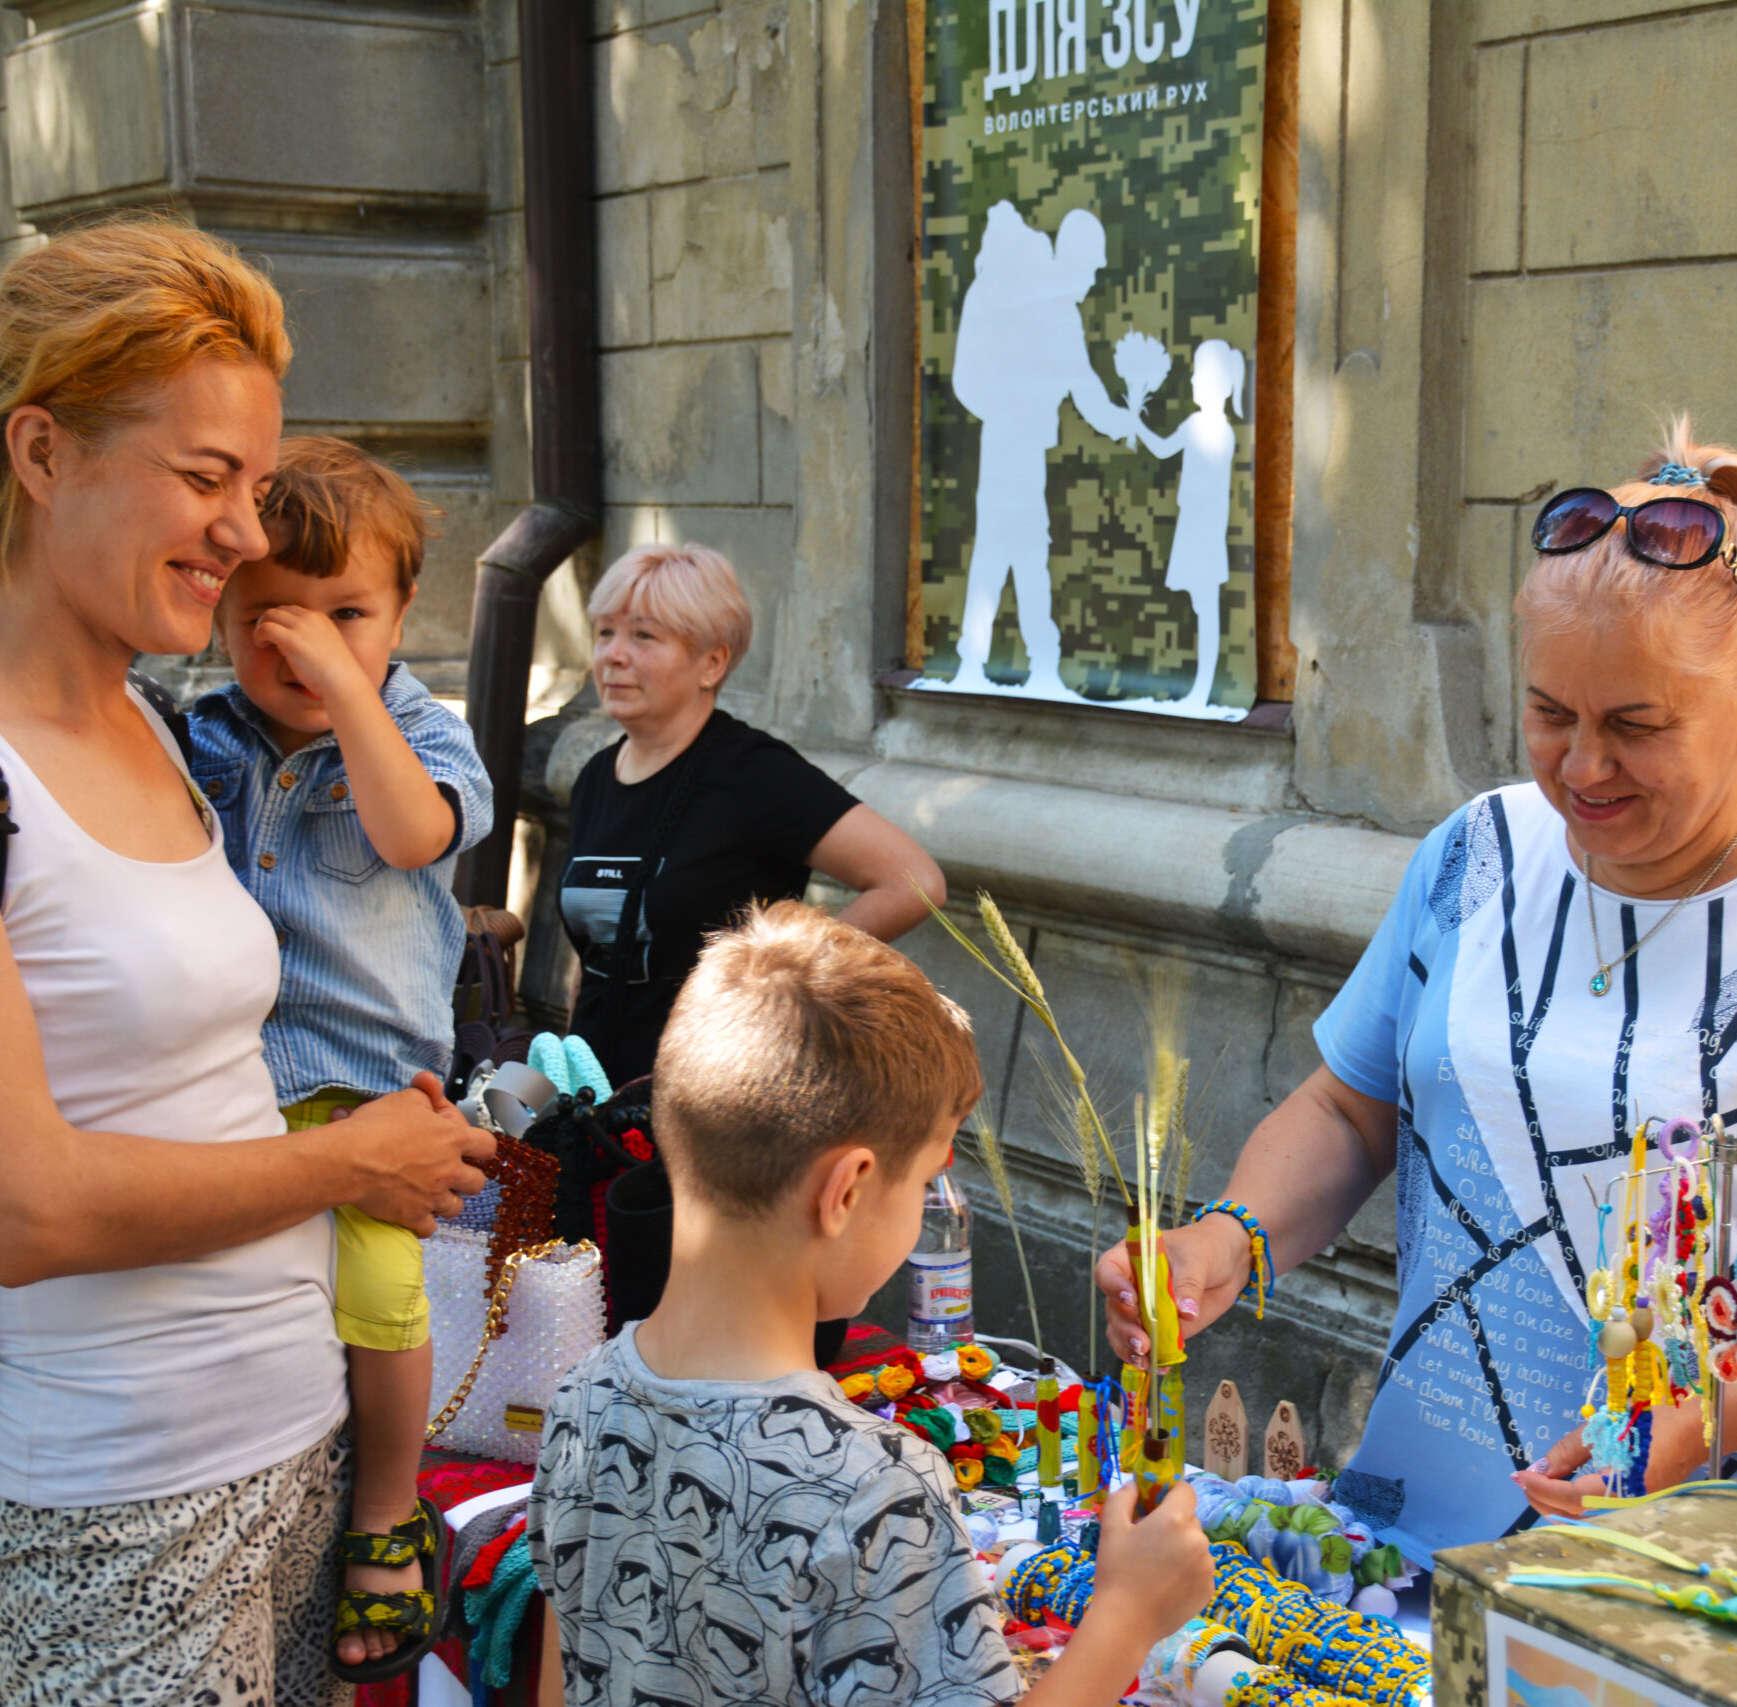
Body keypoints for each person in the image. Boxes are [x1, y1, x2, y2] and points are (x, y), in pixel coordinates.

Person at [1097, 420, 1737, 1565]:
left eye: (1637, 727)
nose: (1582, 769)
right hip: (1402, 1546)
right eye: (1549, 715)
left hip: (1682, 1577)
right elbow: (1351, 1112)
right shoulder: (1474, 853)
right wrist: (1223, 1241)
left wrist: (1704, 1419)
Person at [0, 217, 492, 1705]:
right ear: (42, 454)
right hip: (115, 1491)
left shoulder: (164, 730)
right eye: (206, 477)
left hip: (297, 1430)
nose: (247, 531)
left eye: (255, 480)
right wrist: (352, 1162)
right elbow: (23, 1204)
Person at [527, 902, 1215, 1707]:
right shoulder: (874, 1490)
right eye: (924, 1179)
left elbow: (561, 1681)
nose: (926, 1204)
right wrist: (1128, 1618)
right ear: (847, 1189)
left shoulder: (583, 1397)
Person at [188, 436, 493, 1681]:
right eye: (268, 616)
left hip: (370, 1095)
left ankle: (384, 1504)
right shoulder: (194, 735)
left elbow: (413, 831)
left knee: (379, 1305)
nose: (302, 643)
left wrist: (350, 690)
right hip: (226, 1093)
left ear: (405, 614)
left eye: (347, 614)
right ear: (215, 612)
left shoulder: (422, 730)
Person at [559, 541, 945, 1089]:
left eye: (644, 636)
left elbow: (914, 882)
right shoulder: (596, 777)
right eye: (605, 632)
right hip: (594, 1098)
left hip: (712, 1097)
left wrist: (785, 984)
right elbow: (597, 952)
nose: (614, 655)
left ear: (712, 662)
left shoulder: (752, 774)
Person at [944, 201, 1141, 694]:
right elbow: (1086, 390)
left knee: (1012, 551)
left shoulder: (1045, 305)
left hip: (1016, 444)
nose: (1093, 281)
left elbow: (1086, 389)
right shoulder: (1047, 308)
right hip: (1013, 443)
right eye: (1093, 268)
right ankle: (1030, 667)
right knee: (1013, 552)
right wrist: (1121, 422)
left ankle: (1005, 664)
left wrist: (1123, 422)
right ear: (1076, 259)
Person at [1131, 338, 1243, 709]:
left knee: (1206, 608)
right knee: (1203, 607)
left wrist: (1135, 421)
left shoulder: (1203, 426)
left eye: (1198, 375)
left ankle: (1202, 689)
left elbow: (1164, 450)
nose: (1192, 382)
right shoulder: (1217, 427)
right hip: (1201, 525)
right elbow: (1167, 451)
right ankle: (1200, 687)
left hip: (1201, 527)